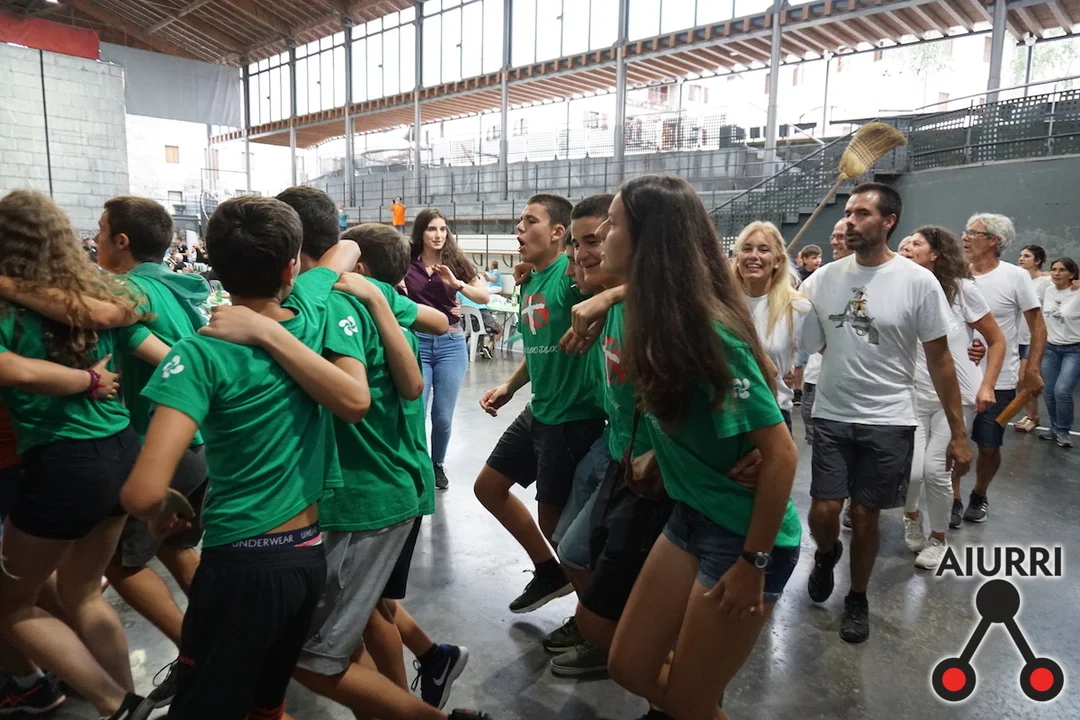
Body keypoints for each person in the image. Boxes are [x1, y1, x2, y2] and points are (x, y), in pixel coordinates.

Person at [121, 196, 369, 720]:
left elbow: (142, 494)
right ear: (291, 268)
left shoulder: (200, 352)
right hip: (305, 555)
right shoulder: (310, 309)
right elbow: (346, 248)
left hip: (241, 563)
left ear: (214, 264)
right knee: (265, 708)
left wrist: (164, 506)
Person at [594, 175, 800, 720]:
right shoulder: (655, 316)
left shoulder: (705, 332)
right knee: (629, 667)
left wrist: (753, 563)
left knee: (690, 701)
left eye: (613, 223)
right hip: (690, 517)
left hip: (743, 536)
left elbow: (782, 454)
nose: (602, 233)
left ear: (648, 239)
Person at [0, 189, 170, 720]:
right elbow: (147, 334)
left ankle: (114, 703)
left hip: (64, 464)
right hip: (121, 451)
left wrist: (83, 381)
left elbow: (15, 370)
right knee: (83, 593)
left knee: (11, 606)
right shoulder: (95, 297)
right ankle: (128, 707)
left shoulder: (9, 306)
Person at [799, 182, 971, 643]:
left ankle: (857, 597)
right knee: (824, 510)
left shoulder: (918, 282)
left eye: (861, 214)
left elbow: (940, 359)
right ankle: (826, 553)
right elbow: (806, 336)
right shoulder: (823, 278)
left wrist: (958, 432)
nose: (849, 222)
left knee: (866, 514)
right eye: (848, 213)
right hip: (833, 412)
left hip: (890, 417)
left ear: (889, 221)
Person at [93, 196, 213, 706]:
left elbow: (167, 360)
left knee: (120, 565)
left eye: (101, 230)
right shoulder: (178, 286)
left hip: (162, 445)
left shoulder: (128, 292)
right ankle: (228, 636)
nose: (95, 238)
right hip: (199, 444)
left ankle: (200, 654)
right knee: (176, 547)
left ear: (122, 241)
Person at [474, 194, 606, 615]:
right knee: (488, 487)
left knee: (556, 523)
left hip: (573, 416)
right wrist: (510, 387)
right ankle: (550, 571)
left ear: (557, 233)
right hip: (540, 409)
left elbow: (617, 286)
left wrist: (597, 287)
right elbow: (538, 348)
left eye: (530, 221)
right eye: (520, 221)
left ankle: (594, 616)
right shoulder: (529, 281)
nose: (519, 228)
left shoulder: (572, 279)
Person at [897, 227, 1005, 568]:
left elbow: (996, 339)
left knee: (935, 472)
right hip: (911, 394)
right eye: (905, 244)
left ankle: (938, 538)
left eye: (916, 244)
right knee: (912, 472)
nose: (908, 248)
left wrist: (988, 384)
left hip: (955, 397)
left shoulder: (962, 290)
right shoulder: (900, 288)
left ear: (936, 254)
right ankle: (911, 516)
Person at [962, 213, 1045, 524]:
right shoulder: (956, 274)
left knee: (988, 445)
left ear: (993, 241)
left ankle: (979, 494)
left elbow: (1038, 326)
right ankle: (953, 498)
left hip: (998, 379)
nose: (965, 237)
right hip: (957, 376)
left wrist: (1033, 367)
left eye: (973, 233)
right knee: (950, 443)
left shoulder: (1015, 277)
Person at [405, 210, 490, 489]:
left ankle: (436, 464)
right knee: (416, 410)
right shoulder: (407, 261)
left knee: (442, 415)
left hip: (450, 344)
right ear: (421, 233)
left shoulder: (455, 261)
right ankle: (416, 464)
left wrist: (458, 286)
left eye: (443, 229)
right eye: (432, 229)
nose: (439, 235)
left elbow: (483, 296)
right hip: (417, 342)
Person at [734, 222, 812, 432]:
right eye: (747, 248)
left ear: (778, 260)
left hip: (772, 416)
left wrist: (786, 368)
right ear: (738, 256)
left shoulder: (797, 307)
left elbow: (817, 348)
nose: (754, 256)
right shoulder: (720, 305)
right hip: (727, 416)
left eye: (763, 249)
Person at [1039, 257, 1080, 448]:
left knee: (1062, 391)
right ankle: (1054, 428)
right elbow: (1032, 275)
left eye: (1062, 270)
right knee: (1048, 392)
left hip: (1074, 350)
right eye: (1054, 269)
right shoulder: (1048, 289)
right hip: (1051, 349)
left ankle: (1063, 431)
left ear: (1072, 274)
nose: (1056, 273)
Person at [1014, 244, 1052, 432]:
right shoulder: (1017, 279)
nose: (1021, 258)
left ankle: (1032, 416)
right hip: (1017, 337)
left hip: (1032, 338)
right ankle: (1031, 414)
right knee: (1019, 381)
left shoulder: (1046, 282)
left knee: (1025, 377)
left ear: (1037, 261)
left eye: (1027, 256)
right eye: (1021, 255)